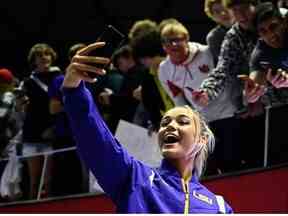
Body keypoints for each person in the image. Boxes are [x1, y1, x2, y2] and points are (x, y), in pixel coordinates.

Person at [61, 42, 233, 213]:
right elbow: (98, 142)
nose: (169, 126)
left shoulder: (218, 206)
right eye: (165, 123)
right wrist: (73, 90)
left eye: (182, 121)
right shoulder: (136, 177)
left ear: (202, 139)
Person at [20, 43, 61, 199]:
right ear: (34, 60)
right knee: (34, 180)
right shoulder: (28, 81)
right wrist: (20, 103)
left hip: (51, 133)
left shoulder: (58, 77)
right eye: (40, 55)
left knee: (48, 180)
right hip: (31, 133)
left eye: (47, 54)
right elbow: (21, 108)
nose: (44, 57)